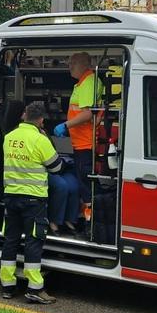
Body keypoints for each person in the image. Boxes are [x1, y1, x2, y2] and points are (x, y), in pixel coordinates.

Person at [0, 102, 64, 304]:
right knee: (33, 242)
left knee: (10, 240)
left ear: (24, 115)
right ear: (41, 120)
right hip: (33, 200)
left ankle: (7, 286)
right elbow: (56, 168)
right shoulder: (40, 139)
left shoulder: (9, 137)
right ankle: (35, 288)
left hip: (11, 196)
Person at [53, 52, 98, 216]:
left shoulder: (88, 83)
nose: (70, 66)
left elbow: (88, 113)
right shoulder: (83, 83)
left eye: (74, 63)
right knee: (84, 185)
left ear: (85, 64)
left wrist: (65, 125)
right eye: (69, 63)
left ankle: (90, 223)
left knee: (86, 188)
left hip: (85, 143)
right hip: (82, 142)